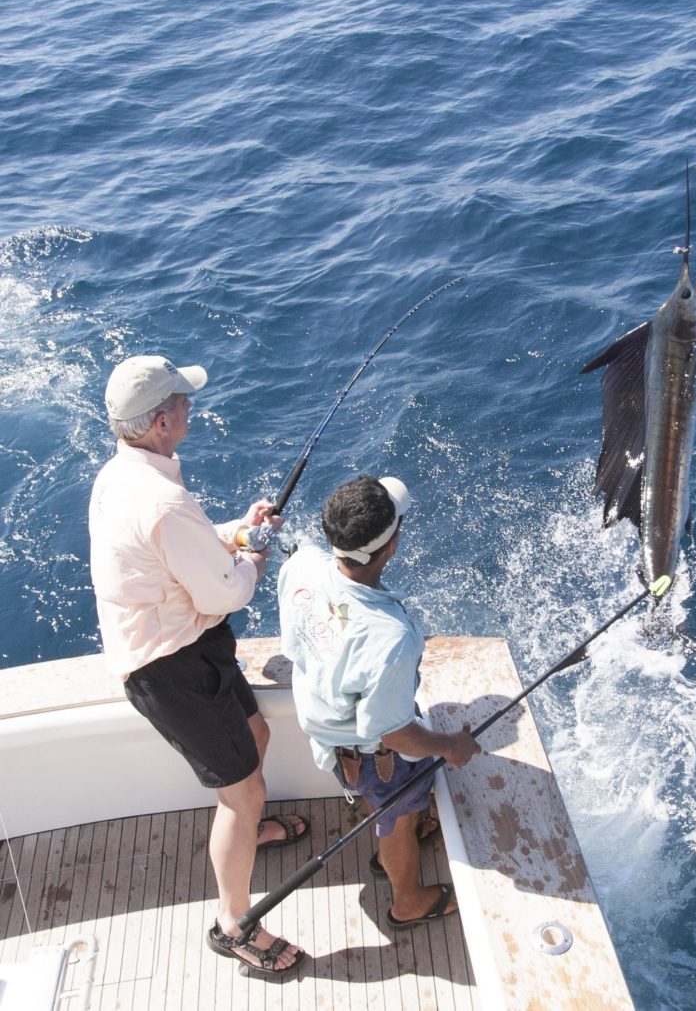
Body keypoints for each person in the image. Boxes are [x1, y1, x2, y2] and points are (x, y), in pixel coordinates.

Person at [88, 354, 307, 980]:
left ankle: (248, 837)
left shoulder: (123, 474)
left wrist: (238, 532)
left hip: (192, 647)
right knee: (243, 795)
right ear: (161, 422)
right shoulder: (160, 500)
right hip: (170, 669)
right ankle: (235, 924)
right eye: (181, 401)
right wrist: (254, 560)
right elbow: (226, 595)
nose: (190, 406)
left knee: (257, 735)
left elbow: (177, 550)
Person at [278, 474, 481, 930]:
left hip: (329, 736)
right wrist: (451, 746)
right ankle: (407, 900)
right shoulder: (390, 638)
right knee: (398, 817)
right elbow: (390, 732)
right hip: (371, 757)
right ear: (390, 548)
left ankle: (397, 825)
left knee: (390, 807)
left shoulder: (305, 563)